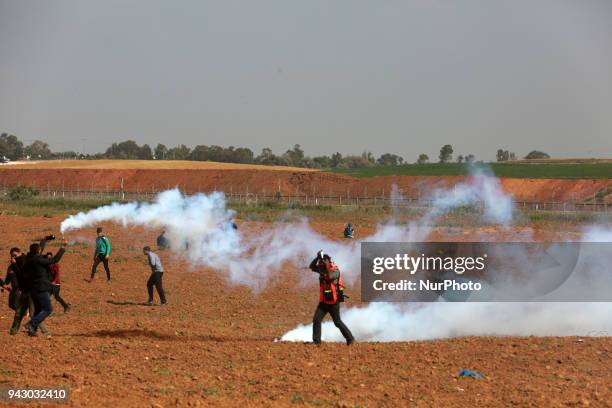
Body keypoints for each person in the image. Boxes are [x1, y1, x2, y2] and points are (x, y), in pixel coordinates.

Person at [22, 239, 67, 336]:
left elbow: (39, 249)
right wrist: (62, 248)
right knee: (48, 309)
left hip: (33, 289)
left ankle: (32, 331)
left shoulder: (29, 258)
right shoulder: (38, 259)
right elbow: (54, 260)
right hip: (40, 288)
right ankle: (31, 324)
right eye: (39, 249)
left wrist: (44, 240)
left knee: (38, 311)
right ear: (38, 251)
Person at [309, 250, 354, 345]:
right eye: (320, 265)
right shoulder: (322, 270)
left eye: (323, 264)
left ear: (329, 262)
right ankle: (316, 342)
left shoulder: (335, 271)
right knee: (316, 320)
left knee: (337, 322)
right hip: (323, 302)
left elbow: (329, 278)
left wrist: (326, 266)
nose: (320, 267)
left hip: (334, 302)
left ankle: (350, 339)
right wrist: (317, 258)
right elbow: (312, 267)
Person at [7, 245, 50, 336]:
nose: (13, 257)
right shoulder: (13, 266)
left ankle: (44, 331)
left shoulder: (26, 261)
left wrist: (14, 265)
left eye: (15, 255)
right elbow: (10, 278)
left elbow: (23, 274)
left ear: (20, 253)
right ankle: (13, 331)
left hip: (31, 291)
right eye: (12, 256)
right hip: (24, 292)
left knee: (33, 313)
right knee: (19, 312)